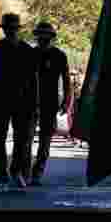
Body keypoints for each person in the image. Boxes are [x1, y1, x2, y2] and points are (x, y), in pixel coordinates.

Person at [0, 13, 39, 191]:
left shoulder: (28, 51)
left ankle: (14, 172)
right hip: (0, 100)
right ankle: (1, 176)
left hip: (22, 102)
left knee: (21, 140)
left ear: (17, 29)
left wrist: (34, 104)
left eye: (12, 28)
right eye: (7, 28)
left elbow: (33, 81)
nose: (9, 31)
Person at [30, 21, 70, 186]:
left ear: (51, 38)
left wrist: (67, 100)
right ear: (37, 37)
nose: (43, 39)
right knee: (26, 139)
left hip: (50, 102)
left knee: (45, 141)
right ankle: (24, 171)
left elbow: (66, 79)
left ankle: (37, 173)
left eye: (46, 36)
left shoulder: (59, 55)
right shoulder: (29, 54)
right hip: (29, 101)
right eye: (41, 36)